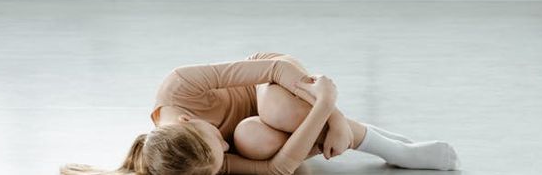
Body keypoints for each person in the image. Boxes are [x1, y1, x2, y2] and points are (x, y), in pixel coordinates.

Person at [61, 52, 459, 175]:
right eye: (221, 157)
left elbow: (272, 67)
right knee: (252, 137)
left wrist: (332, 111)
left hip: (273, 86)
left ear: (185, 121)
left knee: (276, 107)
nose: (224, 140)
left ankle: (391, 149)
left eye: (216, 138)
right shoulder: (196, 164)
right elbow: (275, 170)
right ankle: (368, 135)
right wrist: (322, 107)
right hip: (275, 121)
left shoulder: (179, 86)